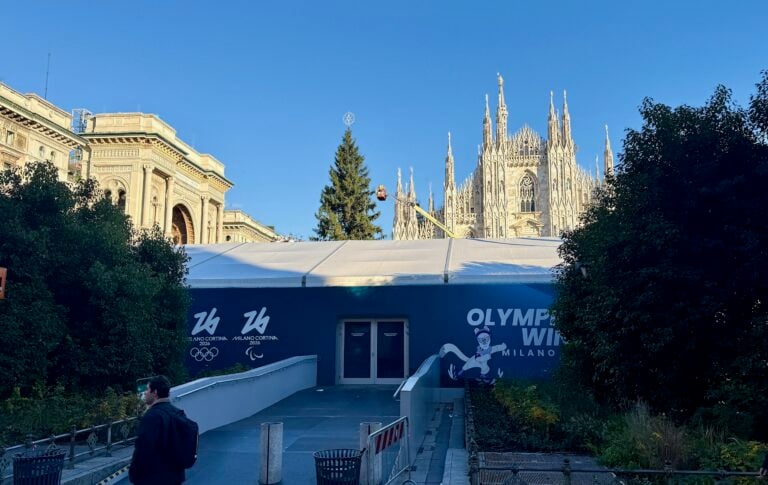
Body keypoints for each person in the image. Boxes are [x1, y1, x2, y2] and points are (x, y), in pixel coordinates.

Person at [129, 375, 186, 485]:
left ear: (155, 392)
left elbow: (143, 449)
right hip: (175, 477)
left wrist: (134, 474)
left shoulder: (152, 416)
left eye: (147, 389)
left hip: (154, 478)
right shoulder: (178, 413)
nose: (145, 393)